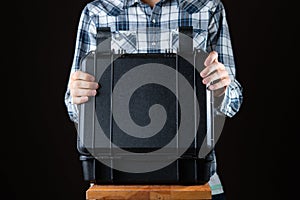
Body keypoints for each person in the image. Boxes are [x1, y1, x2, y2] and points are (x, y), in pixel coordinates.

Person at [64, 0, 243, 199]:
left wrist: (221, 89)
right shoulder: (97, 12)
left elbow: (233, 102)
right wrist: (78, 94)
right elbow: (73, 105)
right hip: (114, 185)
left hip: (192, 179)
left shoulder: (208, 8)